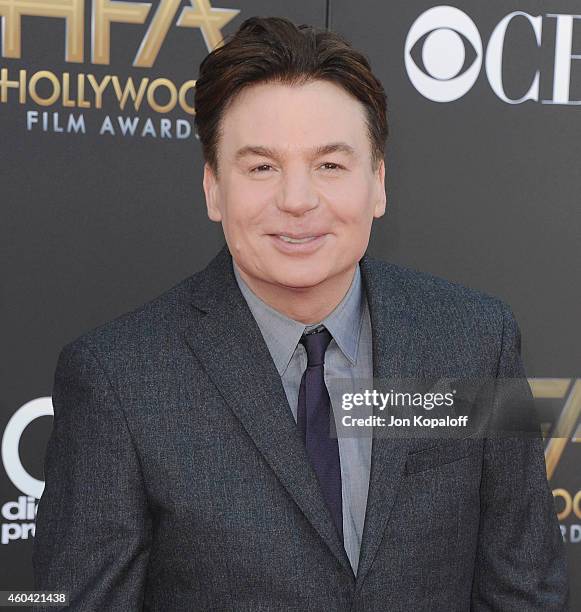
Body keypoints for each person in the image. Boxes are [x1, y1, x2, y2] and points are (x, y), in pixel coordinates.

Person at [33, 16, 568, 611]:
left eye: (330, 166)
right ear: (213, 187)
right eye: (261, 167)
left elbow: (524, 589)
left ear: (379, 183)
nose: (296, 200)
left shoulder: (475, 342)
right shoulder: (118, 379)